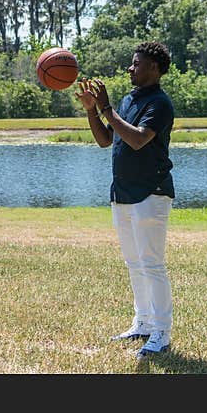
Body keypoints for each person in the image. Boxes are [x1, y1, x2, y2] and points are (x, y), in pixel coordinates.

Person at [75, 41, 175, 358]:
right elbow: (107, 140)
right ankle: (143, 322)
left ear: (154, 68)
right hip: (122, 193)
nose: (130, 68)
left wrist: (106, 108)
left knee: (151, 264)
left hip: (151, 193)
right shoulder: (129, 99)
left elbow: (136, 140)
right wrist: (93, 111)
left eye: (136, 63)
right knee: (134, 264)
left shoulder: (159, 103)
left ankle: (161, 331)